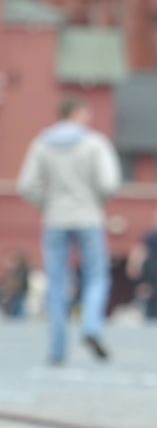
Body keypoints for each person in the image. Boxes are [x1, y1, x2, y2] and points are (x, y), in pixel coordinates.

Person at [18, 98, 121, 364]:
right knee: (96, 277)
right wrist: (95, 201)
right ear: (78, 113)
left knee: (56, 282)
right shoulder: (95, 143)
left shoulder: (41, 144)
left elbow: (26, 184)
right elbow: (109, 183)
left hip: (54, 219)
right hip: (89, 217)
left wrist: (46, 203)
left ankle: (57, 349)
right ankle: (90, 326)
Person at [2, 252, 27, 320]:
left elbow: (18, 286)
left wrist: (8, 294)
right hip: (13, 297)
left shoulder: (21, 272)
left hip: (18, 297)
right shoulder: (11, 273)